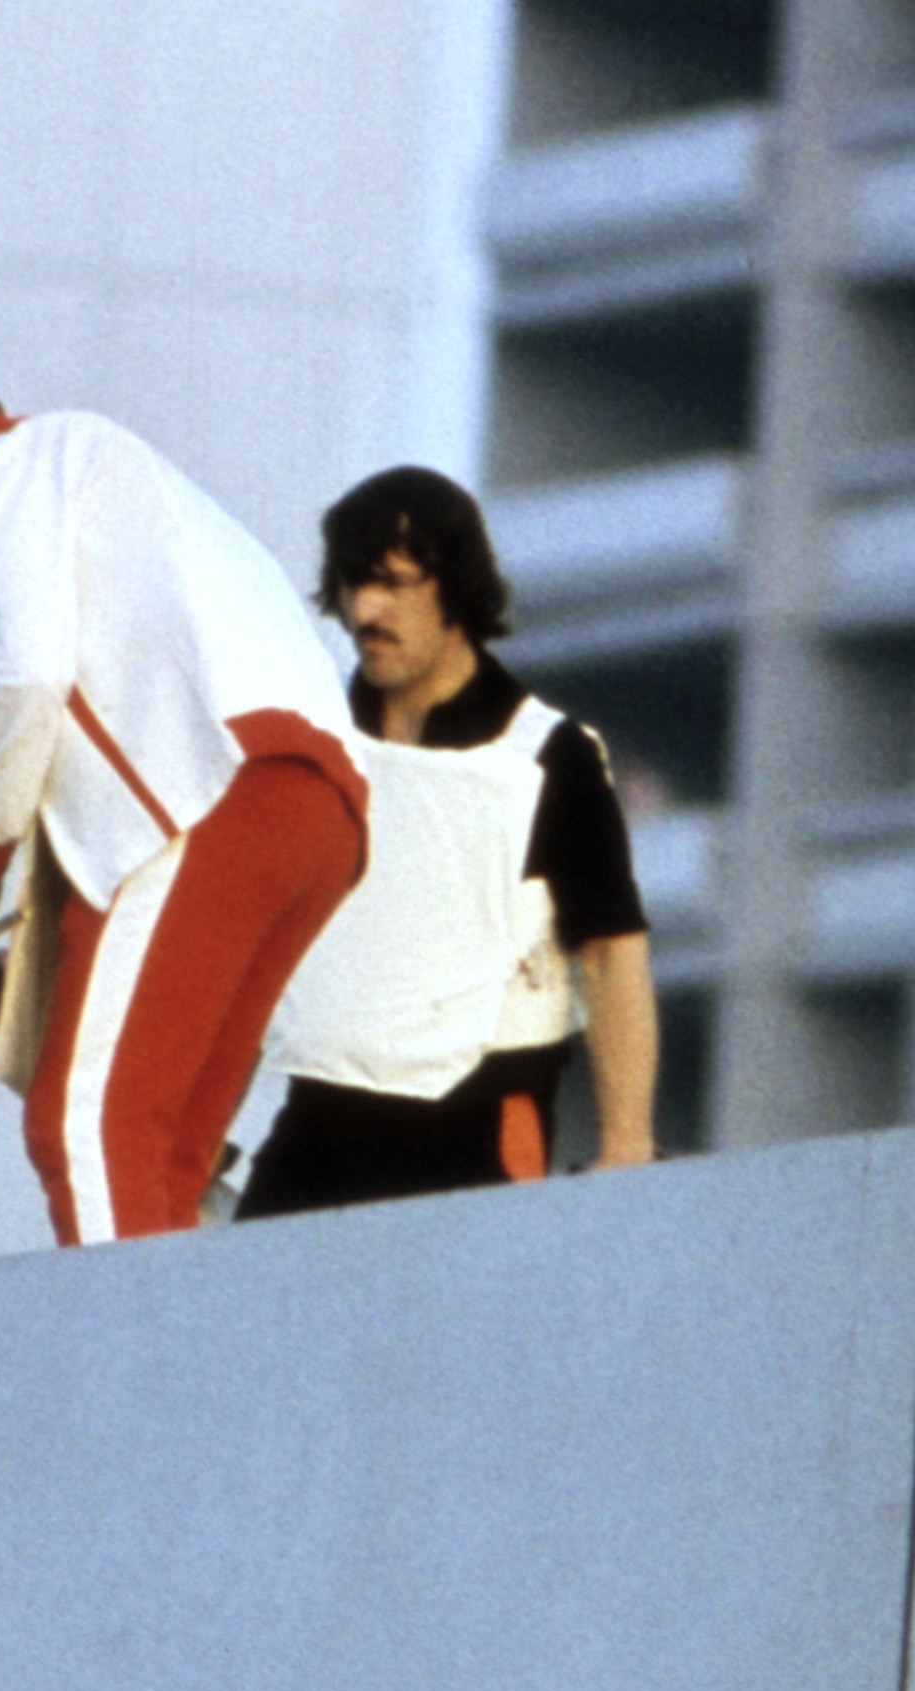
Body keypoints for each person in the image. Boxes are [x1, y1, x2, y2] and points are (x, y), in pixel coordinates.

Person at [0, 361, 366, 1245]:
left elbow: (30, 676)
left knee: (85, 1129)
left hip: (213, 799)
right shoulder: (91, 461)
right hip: (316, 814)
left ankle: (135, 1380)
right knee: (173, 1155)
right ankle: (189, 1356)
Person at [241, 466, 655, 1218]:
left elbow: (611, 952)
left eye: (395, 583)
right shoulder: (317, 745)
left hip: (478, 1128)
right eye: (352, 585)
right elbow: (251, 942)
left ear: (457, 588)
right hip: (316, 1121)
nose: (367, 608)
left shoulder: (546, 758)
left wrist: (627, 1143)